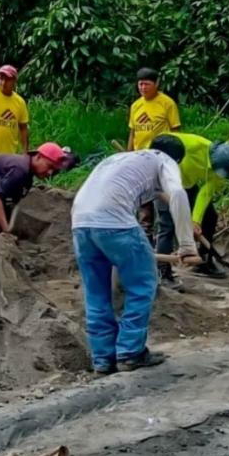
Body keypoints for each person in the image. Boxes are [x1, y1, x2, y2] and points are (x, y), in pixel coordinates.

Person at [71, 148, 200, 374]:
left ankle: (102, 358)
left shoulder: (121, 159)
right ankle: (131, 352)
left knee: (96, 292)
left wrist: (185, 221)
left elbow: (158, 193)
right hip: (115, 223)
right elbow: (178, 194)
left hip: (81, 223)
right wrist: (188, 246)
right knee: (142, 285)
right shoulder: (165, 159)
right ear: (178, 159)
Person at [151, 133, 229, 288]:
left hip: (187, 184)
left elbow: (206, 192)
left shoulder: (220, 168)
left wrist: (195, 221)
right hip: (165, 182)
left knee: (210, 216)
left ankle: (204, 261)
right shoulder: (192, 146)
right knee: (168, 225)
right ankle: (163, 272)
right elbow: (160, 147)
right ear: (213, 160)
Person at [127, 67, 181, 151]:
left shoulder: (167, 103)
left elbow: (175, 131)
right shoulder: (135, 105)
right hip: (139, 153)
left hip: (160, 153)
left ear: (156, 84)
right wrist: (129, 153)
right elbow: (132, 132)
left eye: (147, 84)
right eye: (141, 84)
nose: (143, 88)